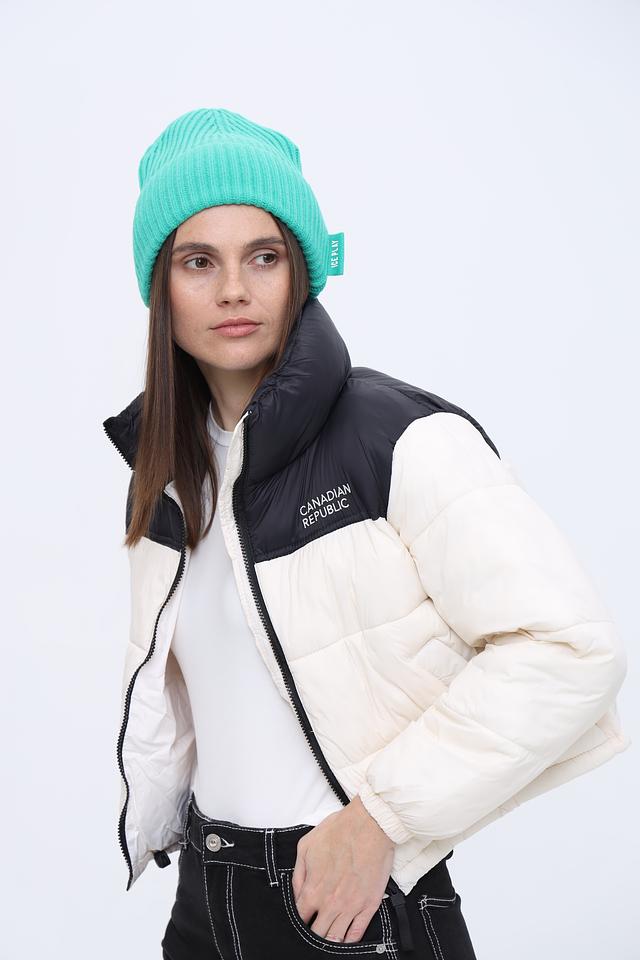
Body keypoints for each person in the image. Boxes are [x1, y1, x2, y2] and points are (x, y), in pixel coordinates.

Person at [103, 107, 630, 960]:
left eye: (263, 257)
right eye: (198, 262)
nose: (233, 289)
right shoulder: (167, 476)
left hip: (343, 905)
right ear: (160, 289)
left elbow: (570, 648)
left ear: (302, 271)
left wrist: (382, 819)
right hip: (204, 899)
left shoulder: (397, 437)